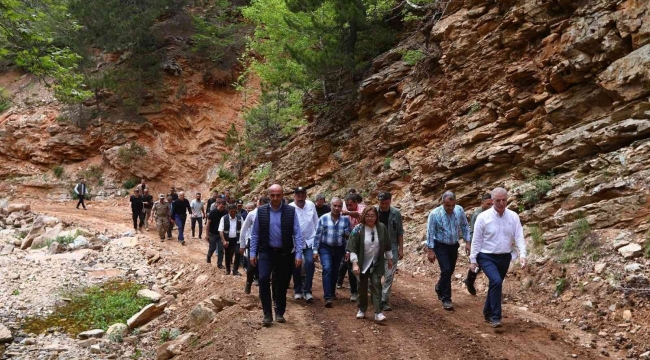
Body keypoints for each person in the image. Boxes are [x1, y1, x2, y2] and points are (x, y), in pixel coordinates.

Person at [470, 187, 527, 328]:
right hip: (486, 256)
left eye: (504, 200)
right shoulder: (483, 217)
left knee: (495, 284)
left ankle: (487, 312)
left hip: (505, 256)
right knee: (496, 281)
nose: (501, 203)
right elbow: (476, 240)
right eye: (497, 201)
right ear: (492, 201)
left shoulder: (513, 216)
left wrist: (523, 254)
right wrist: (473, 260)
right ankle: (496, 317)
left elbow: (519, 236)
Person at [249, 184, 304, 326]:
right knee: (263, 279)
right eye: (272, 195)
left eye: (278, 195)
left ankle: (279, 311)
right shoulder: (260, 212)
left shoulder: (290, 211)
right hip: (266, 252)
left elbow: (297, 233)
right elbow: (255, 234)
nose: (275, 198)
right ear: (268, 195)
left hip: (284, 253)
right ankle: (267, 313)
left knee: (281, 283)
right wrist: (252, 252)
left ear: (282, 195)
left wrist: (298, 254)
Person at [426, 191, 470, 310]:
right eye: (447, 206)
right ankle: (446, 299)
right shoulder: (435, 214)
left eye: (452, 205)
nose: (450, 208)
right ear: (442, 203)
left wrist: (468, 242)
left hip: (453, 245)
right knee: (446, 270)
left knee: (450, 270)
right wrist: (430, 250)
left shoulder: (459, 210)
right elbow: (430, 232)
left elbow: (465, 226)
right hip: (440, 245)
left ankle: (440, 286)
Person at [348, 206, 393, 321]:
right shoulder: (358, 229)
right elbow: (352, 248)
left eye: (372, 215)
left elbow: (387, 245)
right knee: (362, 287)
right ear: (363, 216)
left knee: (376, 285)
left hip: (376, 262)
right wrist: (355, 263)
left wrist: (389, 259)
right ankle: (362, 309)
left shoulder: (382, 228)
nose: (370, 218)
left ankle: (378, 312)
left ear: (376, 216)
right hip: (362, 262)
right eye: (367, 216)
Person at [313, 198, 351, 308]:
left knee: (335, 271)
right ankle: (327, 297)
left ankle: (332, 292)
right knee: (327, 269)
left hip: (339, 248)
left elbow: (348, 237)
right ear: (330, 206)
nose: (337, 208)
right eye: (335, 206)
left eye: (339, 206)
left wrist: (347, 251)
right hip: (325, 247)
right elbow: (317, 235)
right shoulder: (323, 218)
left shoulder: (345, 220)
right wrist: (315, 250)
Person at [289, 187, 319, 302]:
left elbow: (316, 222)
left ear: (306, 195)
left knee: (310, 263)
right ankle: (297, 290)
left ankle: (307, 290)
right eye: (298, 195)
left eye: (303, 195)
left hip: (310, 241)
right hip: (296, 243)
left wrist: (316, 240)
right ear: (294, 196)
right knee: (297, 265)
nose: (300, 197)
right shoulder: (290, 208)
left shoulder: (311, 205)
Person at [376, 191, 404, 311]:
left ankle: (384, 300)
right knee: (376, 275)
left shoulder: (396, 213)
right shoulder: (373, 212)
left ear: (390, 201)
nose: (384, 205)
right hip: (375, 248)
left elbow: (400, 232)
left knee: (389, 275)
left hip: (391, 247)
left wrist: (401, 249)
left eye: (386, 203)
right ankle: (376, 297)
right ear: (378, 202)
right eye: (382, 203)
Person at [337, 194, 366, 301]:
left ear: (356, 202)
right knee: (350, 266)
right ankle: (354, 292)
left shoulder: (362, 208)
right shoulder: (344, 210)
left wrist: (348, 213)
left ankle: (363, 289)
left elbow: (361, 215)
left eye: (350, 205)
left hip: (363, 242)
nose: (348, 207)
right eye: (347, 205)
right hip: (349, 242)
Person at [465, 193, 493, 295]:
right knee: (477, 265)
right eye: (488, 204)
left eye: (492, 204)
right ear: (482, 203)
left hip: (489, 245)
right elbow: (472, 231)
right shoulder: (477, 215)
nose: (490, 206)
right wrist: (473, 246)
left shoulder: (493, 214)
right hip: (479, 244)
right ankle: (469, 281)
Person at [240, 199, 266, 293]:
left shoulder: (271, 214)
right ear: (258, 204)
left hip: (265, 242)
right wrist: (242, 245)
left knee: (263, 265)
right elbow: (244, 229)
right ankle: (248, 282)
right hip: (253, 241)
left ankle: (262, 289)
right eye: (262, 204)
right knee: (251, 265)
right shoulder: (252, 214)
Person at [219, 204, 243, 275]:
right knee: (228, 255)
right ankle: (228, 269)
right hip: (227, 240)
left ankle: (235, 270)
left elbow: (243, 229)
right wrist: (224, 241)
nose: (233, 213)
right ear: (228, 211)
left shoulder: (240, 218)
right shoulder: (224, 218)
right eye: (231, 211)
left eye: (234, 211)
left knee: (238, 253)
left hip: (237, 239)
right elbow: (221, 230)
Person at [206, 198, 228, 267]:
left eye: (223, 207)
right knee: (212, 248)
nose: (222, 209)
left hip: (221, 234)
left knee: (221, 250)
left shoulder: (225, 213)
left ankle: (219, 264)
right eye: (221, 207)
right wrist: (207, 234)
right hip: (212, 233)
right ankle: (209, 256)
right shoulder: (213, 212)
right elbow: (208, 224)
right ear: (218, 204)